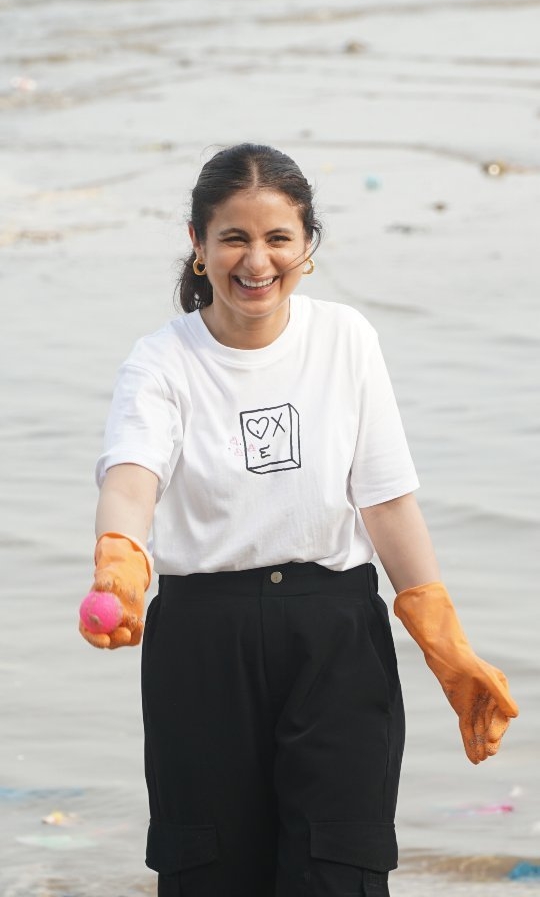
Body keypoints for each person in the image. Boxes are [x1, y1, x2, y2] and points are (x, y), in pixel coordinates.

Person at [79, 143, 518, 897]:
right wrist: (120, 558)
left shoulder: (346, 339)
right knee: (210, 871)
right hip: (203, 644)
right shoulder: (160, 362)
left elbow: (385, 499)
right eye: (234, 238)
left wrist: (444, 643)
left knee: (339, 868)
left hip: (336, 635)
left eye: (278, 237)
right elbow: (132, 476)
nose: (257, 261)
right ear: (198, 245)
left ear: (308, 243)